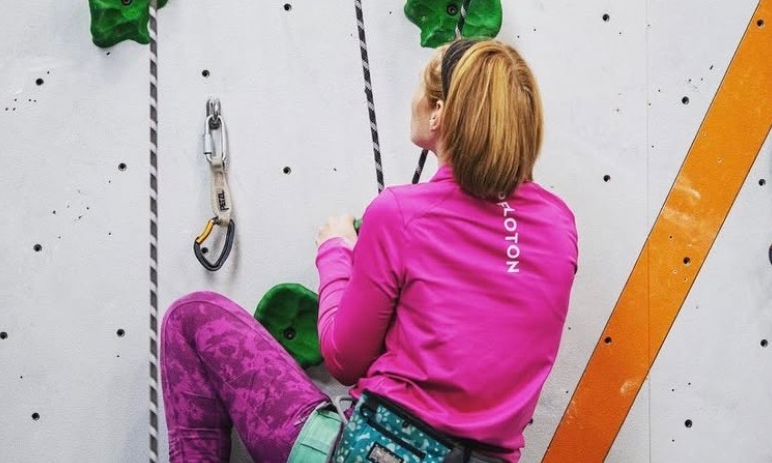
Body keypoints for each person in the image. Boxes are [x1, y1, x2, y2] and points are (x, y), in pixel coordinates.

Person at [160, 38, 578, 463]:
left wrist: (336, 251)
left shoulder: (400, 213)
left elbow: (344, 359)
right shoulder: (559, 224)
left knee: (192, 317)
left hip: (378, 452)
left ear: (438, 113)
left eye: (421, 88)